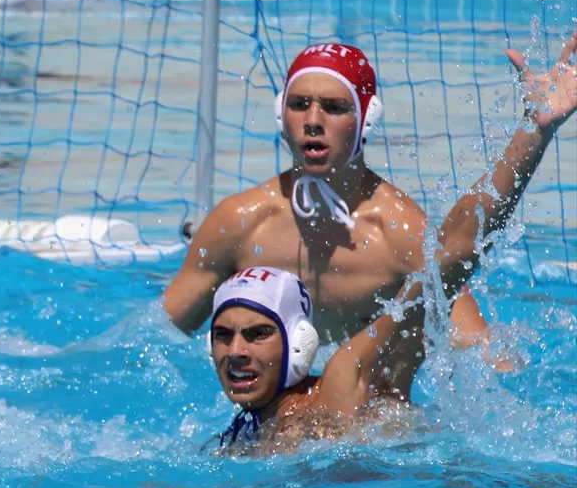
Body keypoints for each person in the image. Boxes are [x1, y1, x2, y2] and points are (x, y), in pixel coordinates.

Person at [207, 33, 576, 452]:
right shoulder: (240, 435)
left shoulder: (346, 383)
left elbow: (451, 256)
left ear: (298, 343)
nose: (236, 351)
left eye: (258, 334)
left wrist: (533, 132)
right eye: (223, 335)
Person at [164, 41, 498, 348]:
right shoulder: (240, 223)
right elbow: (158, 337)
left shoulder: (402, 234)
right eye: (299, 105)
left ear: (367, 119)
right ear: (281, 114)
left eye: (334, 107)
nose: (312, 120)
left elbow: (483, 355)